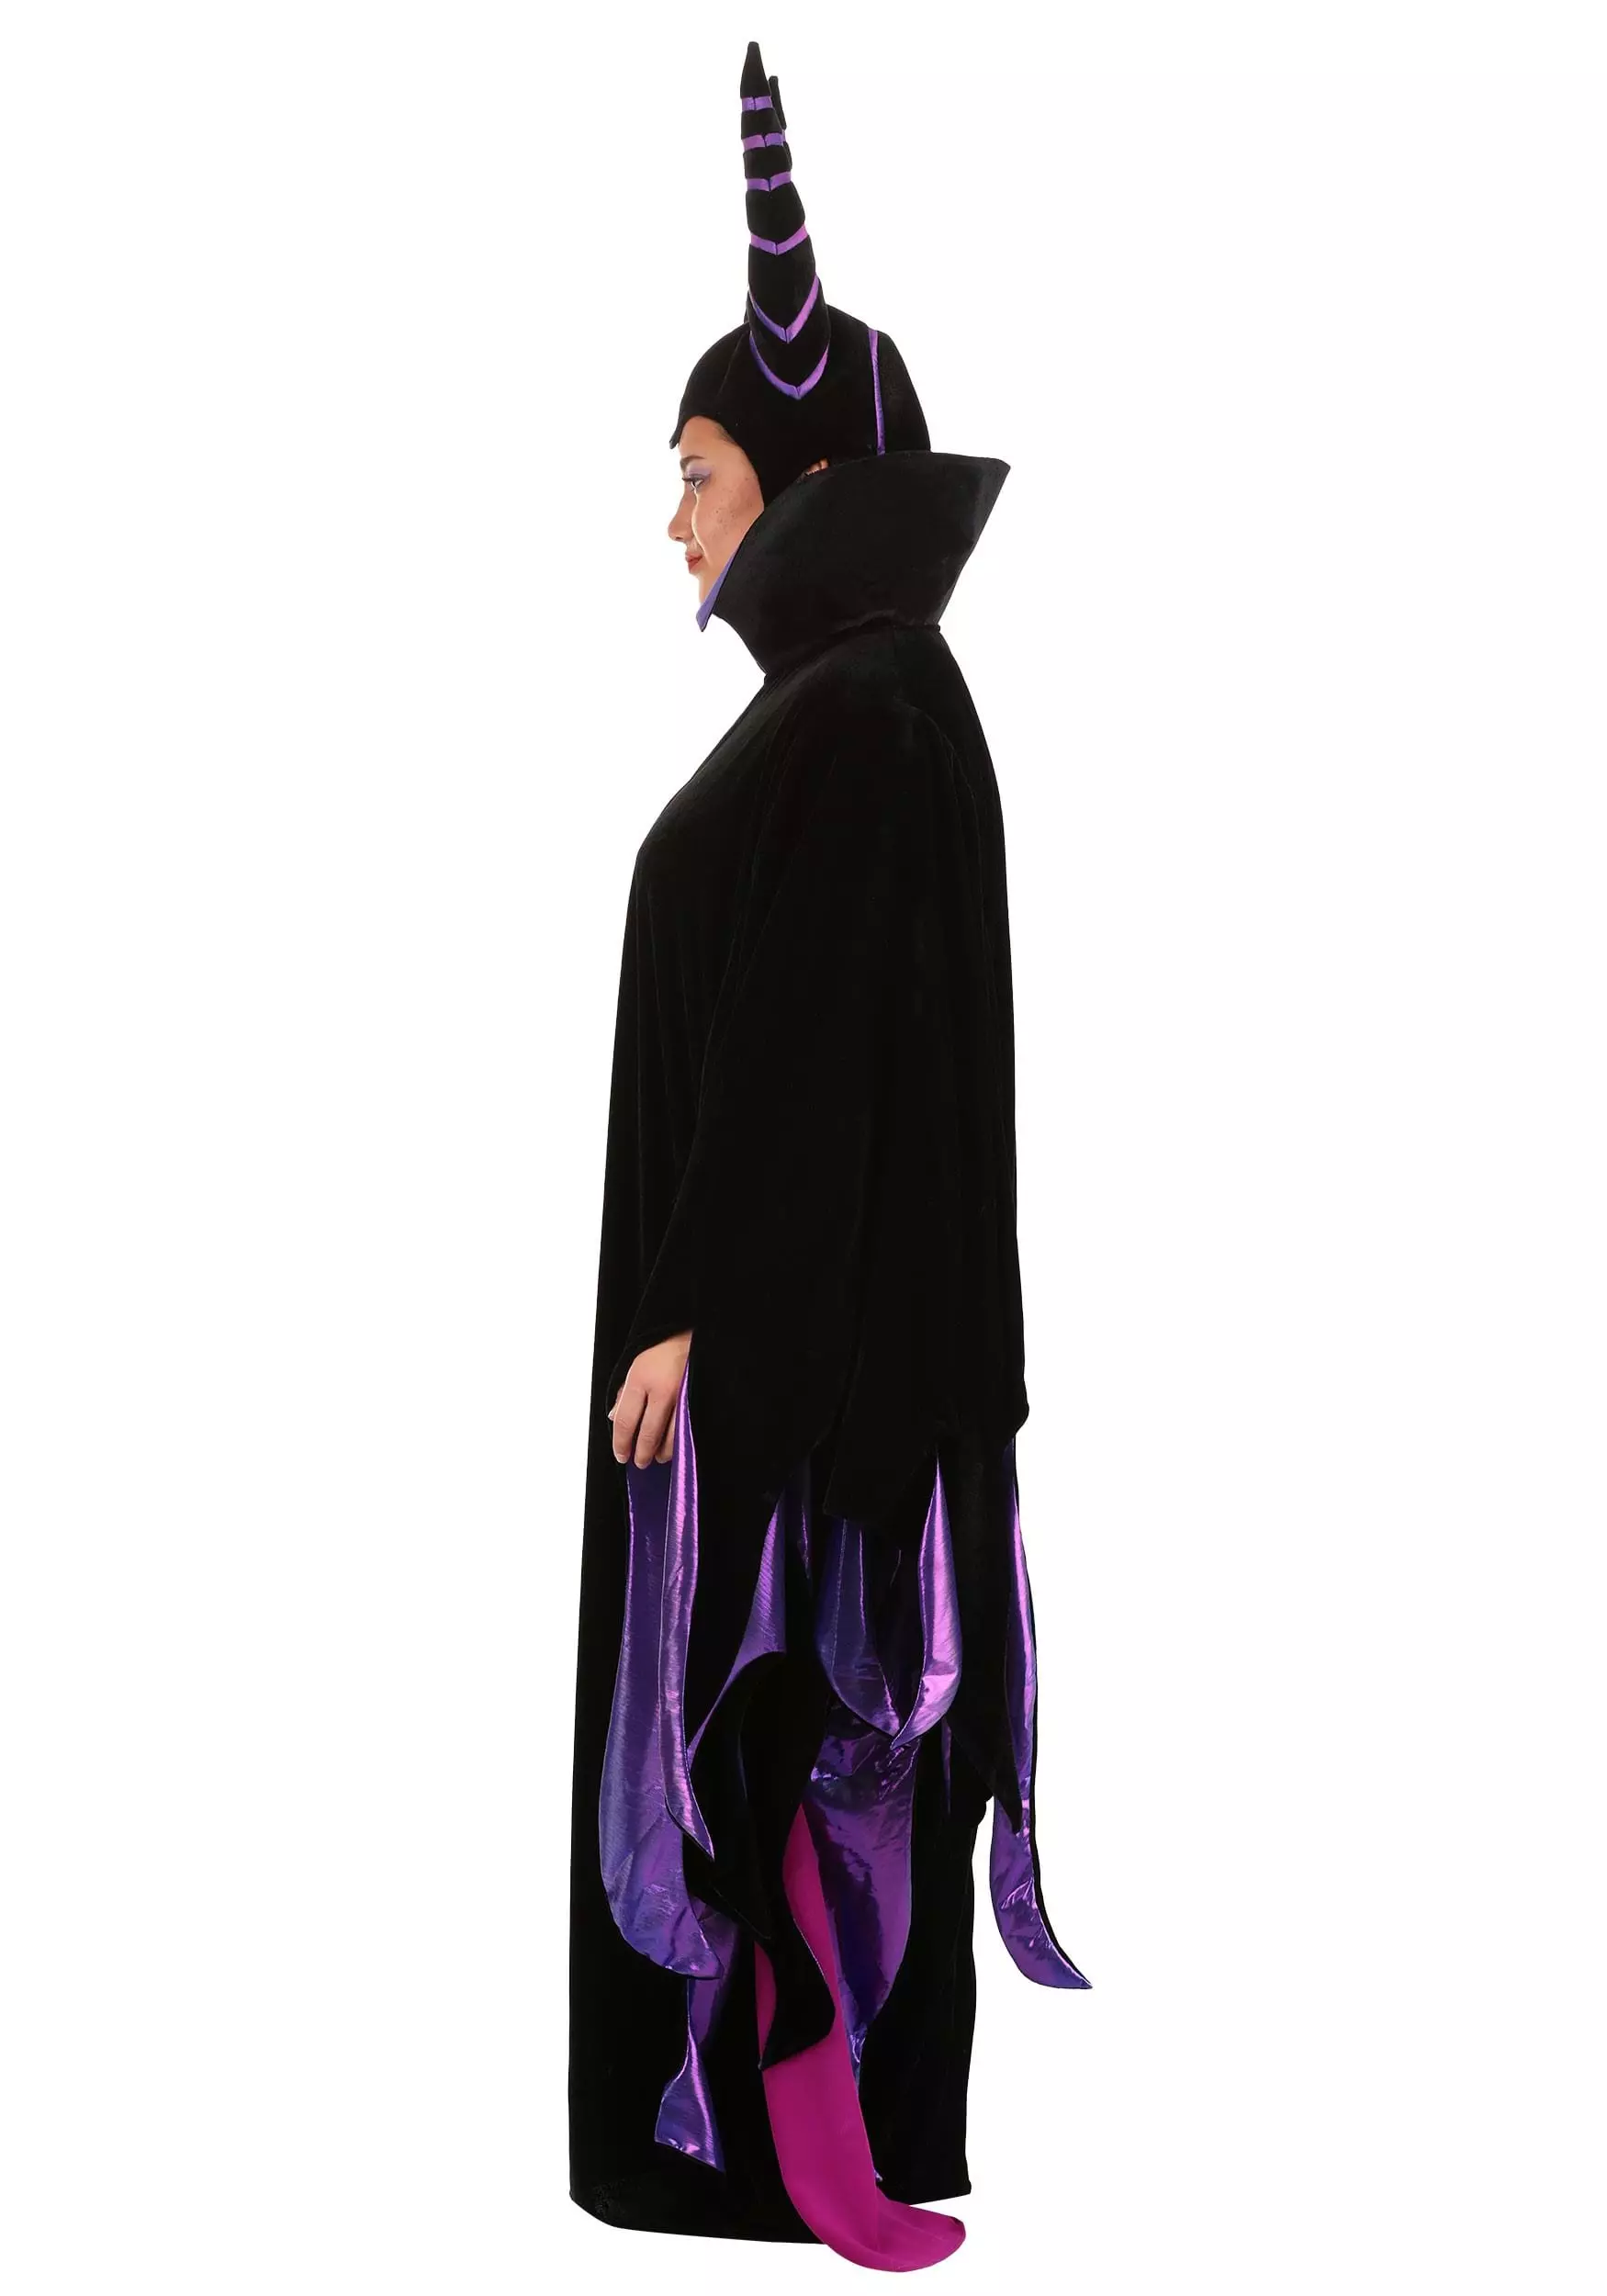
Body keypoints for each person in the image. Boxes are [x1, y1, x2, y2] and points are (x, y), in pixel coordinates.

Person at [568, 40, 1090, 2270]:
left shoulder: (864, 711)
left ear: (793, 481)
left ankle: (804, 2138)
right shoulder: (844, 709)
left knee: (784, 1701)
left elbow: (809, 1060)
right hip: (791, 1314)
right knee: (774, 1715)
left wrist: (704, 1306)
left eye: (696, 472)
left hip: (804, 1338)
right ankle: (788, 2138)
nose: (672, 518)